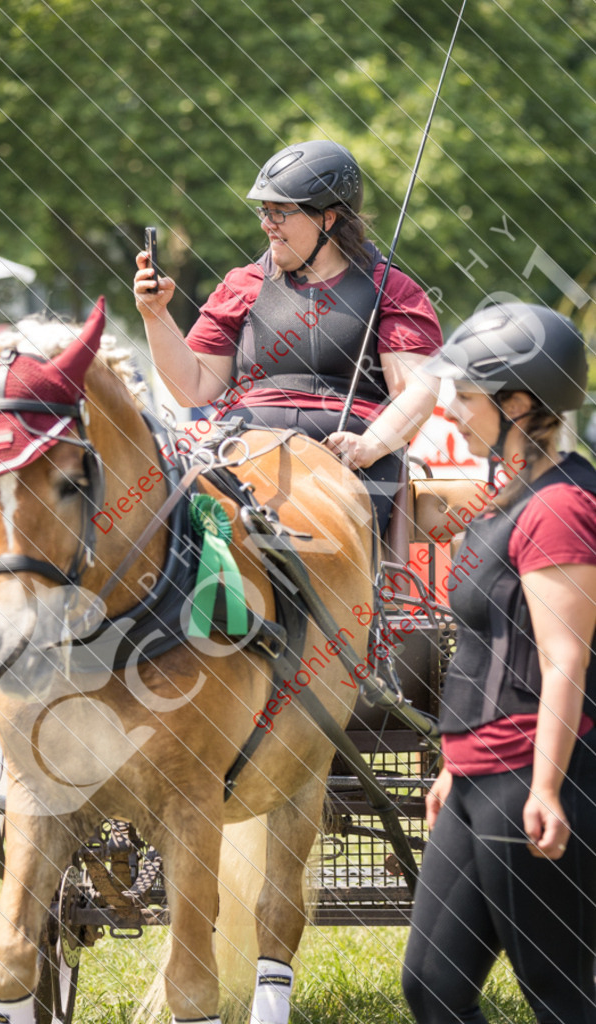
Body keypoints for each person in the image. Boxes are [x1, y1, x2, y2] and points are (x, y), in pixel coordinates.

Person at [402, 302, 596, 1023]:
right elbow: (488, 645)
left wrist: (544, 788)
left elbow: (563, 657)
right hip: (477, 778)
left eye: (466, 394)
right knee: (433, 986)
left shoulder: (557, 509)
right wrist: (454, 762)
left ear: (518, 402)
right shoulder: (503, 499)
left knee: (558, 995)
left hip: (536, 779)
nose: (448, 408)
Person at [133, 140, 442, 532]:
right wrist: (155, 315)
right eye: (264, 211)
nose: (266, 224)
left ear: (327, 219)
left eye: (280, 213)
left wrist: (370, 445)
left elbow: (417, 391)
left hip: (352, 462)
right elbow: (191, 388)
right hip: (243, 451)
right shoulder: (241, 285)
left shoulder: (394, 290)